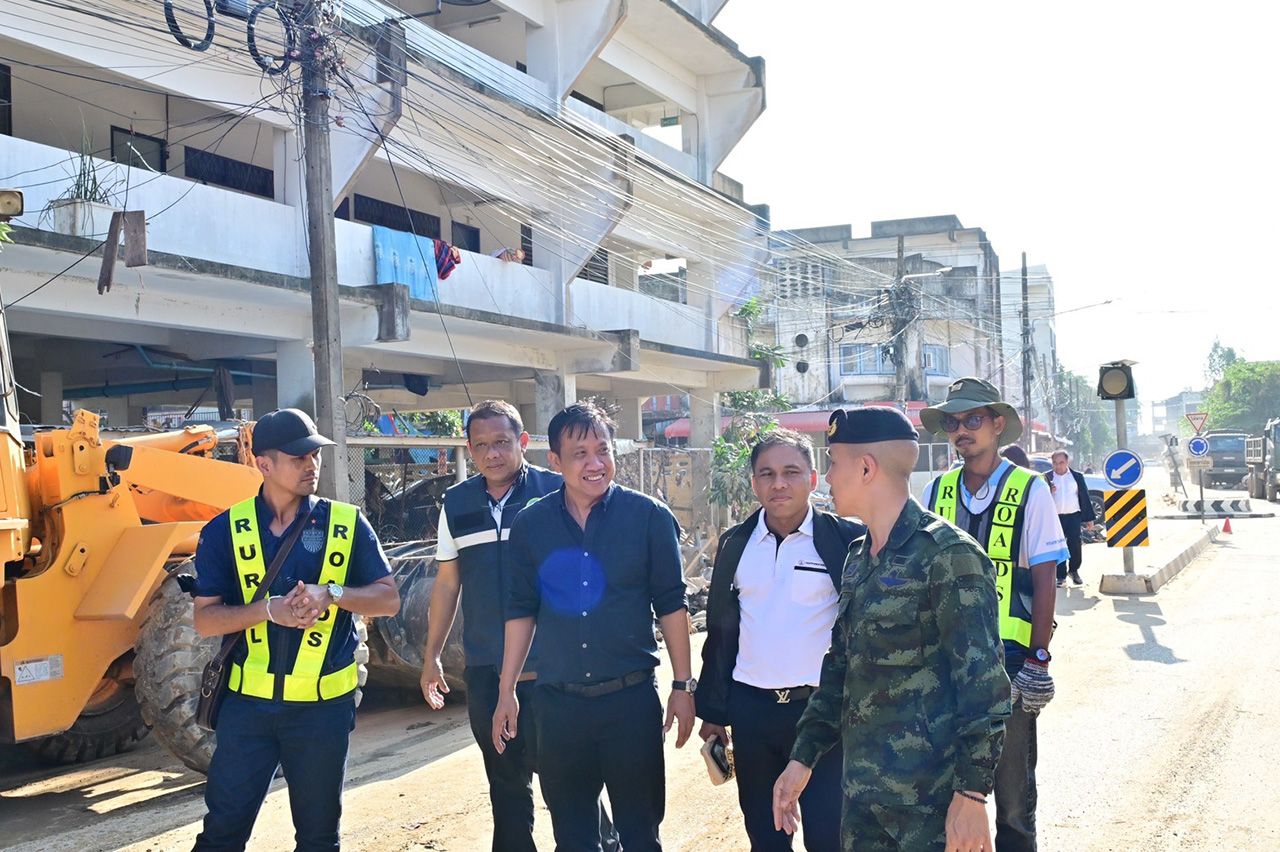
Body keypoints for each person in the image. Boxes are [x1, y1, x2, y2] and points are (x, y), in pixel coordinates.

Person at [773, 406, 1010, 851]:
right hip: (863, 802)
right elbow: (840, 670)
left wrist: (972, 794)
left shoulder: (948, 555)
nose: (825, 477)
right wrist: (802, 757)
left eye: (832, 463)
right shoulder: (859, 556)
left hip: (932, 810)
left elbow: (984, 687)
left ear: (865, 468)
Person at [191, 408, 401, 851]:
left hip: (323, 713)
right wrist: (269, 610)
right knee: (222, 833)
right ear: (263, 464)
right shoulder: (224, 531)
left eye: (316, 455)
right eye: (298, 457)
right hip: (247, 711)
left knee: (319, 837)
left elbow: (389, 599)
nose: (312, 465)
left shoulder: (346, 524)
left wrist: (333, 593)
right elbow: (205, 618)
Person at [493, 402, 695, 852]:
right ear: (555, 462)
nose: (594, 463)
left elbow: (671, 605)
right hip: (559, 709)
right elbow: (521, 610)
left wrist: (683, 685)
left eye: (602, 450)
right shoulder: (532, 525)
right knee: (573, 838)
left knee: (641, 836)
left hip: (630, 704)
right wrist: (507, 690)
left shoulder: (649, 518)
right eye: (580, 453)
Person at [420, 400, 621, 851]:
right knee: (505, 780)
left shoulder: (558, 491)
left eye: (502, 443)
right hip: (486, 666)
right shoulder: (456, 505)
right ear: (469, 450)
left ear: (523, 442)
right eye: (482, 446)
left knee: (568, 778)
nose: (492, 454)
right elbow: (448, 584)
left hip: (558, 668)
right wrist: (431, 656)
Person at [919, 378, 1068, 852]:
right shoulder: (936, 490)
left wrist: (1038, 661)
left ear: (998, 425)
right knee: (946, 791)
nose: (961, 429)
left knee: (1013, 796)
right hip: (944, 660)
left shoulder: (1031, 489)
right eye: (953, 422)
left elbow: (1045, 579)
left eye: (973, 419)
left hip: (1009, 659)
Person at [698, 429, 865, 852]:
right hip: (753, 715)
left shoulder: (846, 541)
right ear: (753, 483)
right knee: (766, 838)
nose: (779, 483)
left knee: (831, 837)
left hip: (823, 716)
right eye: (767, 473)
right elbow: (719, 631)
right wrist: (714, 710)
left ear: (812, 479)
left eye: (791, 472)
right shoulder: (736, 544)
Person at [1048, 450, 1096, 588]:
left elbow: (1084, 497)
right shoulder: (1046, 478)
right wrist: (1048, 490)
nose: (1058, 466)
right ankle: (1060, 576)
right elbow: (1040, 499)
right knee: (1058, 545)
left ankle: (1074, 571)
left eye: (1061, 462)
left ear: (1067, 462)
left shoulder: (1076, 477)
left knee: (1075, 543)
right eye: (1055, 463)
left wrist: (1089, 519)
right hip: (1054, 517)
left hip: (1074, 515)